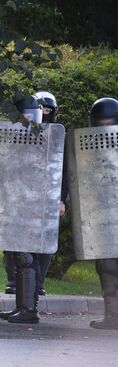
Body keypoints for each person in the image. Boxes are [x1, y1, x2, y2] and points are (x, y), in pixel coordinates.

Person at [3, 91, 67, 296]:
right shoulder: (18, 132)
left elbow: (64, 170)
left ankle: (38, 283)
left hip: (47, 193)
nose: (45, 114)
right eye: (43, 110)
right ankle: (14, 280)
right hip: (21, 192)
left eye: (49, 111)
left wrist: (61, 199)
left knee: (44, 237)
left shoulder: (58, 136)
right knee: (14, 236)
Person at [85, 97, 118, 329]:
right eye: (100, 123)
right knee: (106, 265)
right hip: (103, 214)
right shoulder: (87, 145)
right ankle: (113, 315)